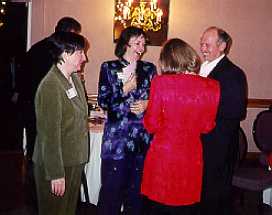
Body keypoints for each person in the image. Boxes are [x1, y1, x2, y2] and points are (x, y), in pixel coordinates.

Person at [141, 38, 220, 215]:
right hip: (192, 156)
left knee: (158, 207)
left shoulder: (161, 83)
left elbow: (151, 125)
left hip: (163, 157)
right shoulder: (212, 86)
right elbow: (207, 127)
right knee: (187, 207)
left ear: (167, 60)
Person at [97, 26, 157, 215]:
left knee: (137, 195)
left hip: (142, 141)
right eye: (138, 42)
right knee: (111, 193)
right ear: (126, 44)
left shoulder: (149, 68)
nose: (142, 46)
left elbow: (158, 99)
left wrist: (148, 103)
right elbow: (104, 101)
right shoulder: (109, 67)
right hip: (117, 141)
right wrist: (125, 89)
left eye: (143, 42)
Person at [32, 31, 88, 215]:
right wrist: (56, 173)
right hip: (56, 165)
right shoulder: (50, 86)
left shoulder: (74, 79)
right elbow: (49, 136)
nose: (84, 57)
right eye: (80, 52)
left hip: (72, 161)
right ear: (65, 53)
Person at [16, 16, 82, 161]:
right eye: (74, 34)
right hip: (39, 103)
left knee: (36, 144)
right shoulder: (55, 50)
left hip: (30, 102)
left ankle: (34, 174)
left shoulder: (38, 46)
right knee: (44, 144)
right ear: (68, 32)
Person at [199, 26, 247, 215]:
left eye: (207, 44)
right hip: (201, 142)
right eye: (201, 43)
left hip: (218, 145)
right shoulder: (201, 68)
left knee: (215, 197)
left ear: (222, 46)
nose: (202, 47)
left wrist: (201, 110)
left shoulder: (233, 73)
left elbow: (237, 111)